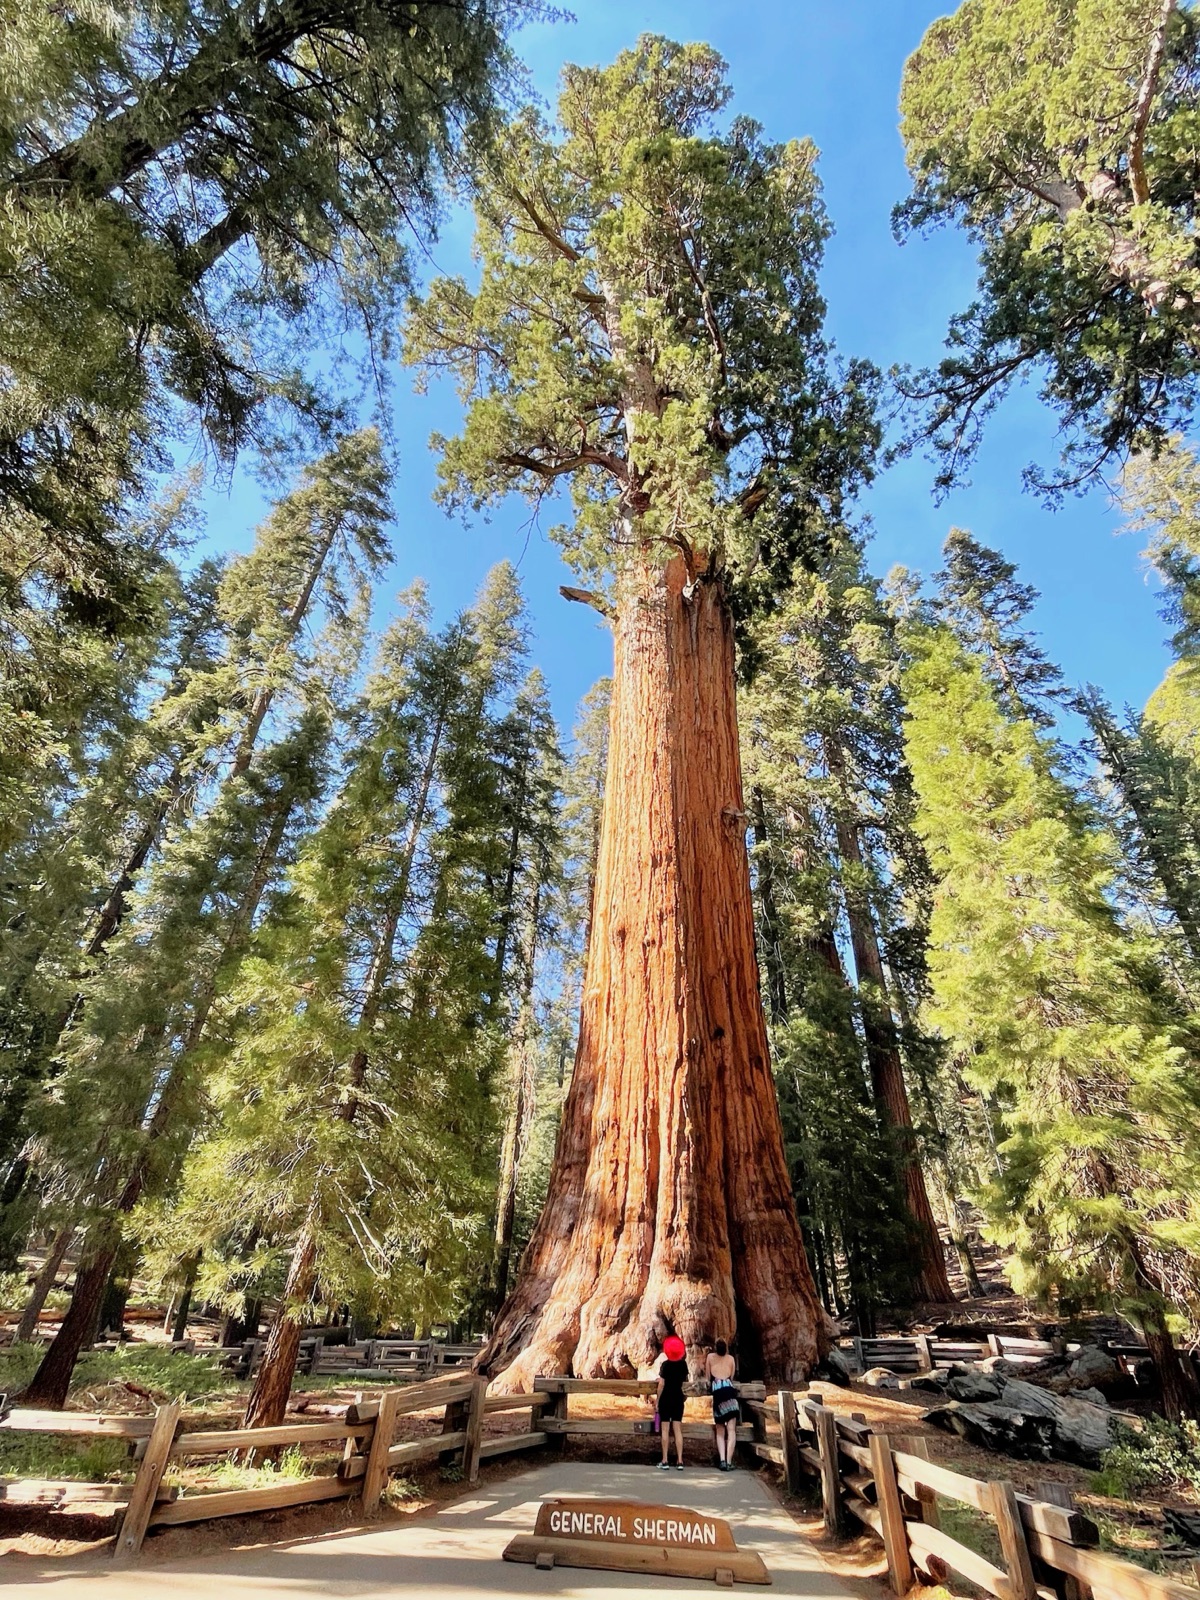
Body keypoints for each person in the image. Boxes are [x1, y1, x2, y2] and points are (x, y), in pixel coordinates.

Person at [654, 1334, 688, 1470]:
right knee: (677, 1429)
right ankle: (680, 1460)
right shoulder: (683, 1365)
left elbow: (661, 1384)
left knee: (665, 1430)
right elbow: (685, 1381)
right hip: (678, 1398)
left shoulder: (665, 1365)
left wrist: (657, 1399)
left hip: (666, 1399)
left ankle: (665, 1460)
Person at [705, 1338, 739, 1470]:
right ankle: (729, 1462)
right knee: (731, 1431)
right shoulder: (730, 1359)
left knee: (720, 1430)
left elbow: (708, 1377)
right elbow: (732, 1377)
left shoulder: (710, 1357)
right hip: (730, 1393)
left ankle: (722, 1461)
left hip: (718, 1394)